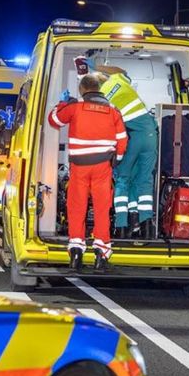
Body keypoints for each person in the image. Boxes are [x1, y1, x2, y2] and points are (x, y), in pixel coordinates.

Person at [48, 73, 127, 272]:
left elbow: (54, 120)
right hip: (103, 167)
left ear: (83, 89)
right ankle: (101, 254)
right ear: (99, 89)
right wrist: (115, 160)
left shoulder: (74, 107)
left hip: (79, 167)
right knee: (102, 209)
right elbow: (122, 139)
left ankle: (76, 253)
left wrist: (61, 103)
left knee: (77, 208)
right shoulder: (113, 111)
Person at [85, 56, 159, 237]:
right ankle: (146, 227)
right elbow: (121, 71)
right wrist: (98, 65)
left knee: (123, 179)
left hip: (132, 137)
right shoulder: (118, 79)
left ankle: (121, 227)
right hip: (150, 134)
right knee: (144, 180)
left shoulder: (100, 100)